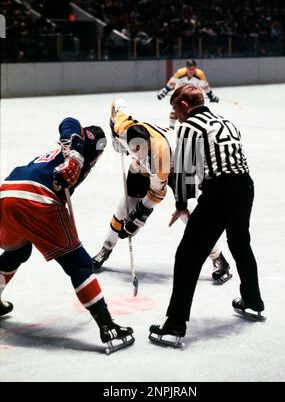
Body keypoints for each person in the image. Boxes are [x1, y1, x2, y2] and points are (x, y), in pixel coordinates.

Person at [0, 117, 134, 354]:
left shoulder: (62, 154)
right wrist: (75, 156)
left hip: (7, 192)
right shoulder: (79, 149)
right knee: (79, 264)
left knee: (18, 250)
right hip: (37, 197)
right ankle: (108, 327)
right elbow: (70, 123)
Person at [149, 85, 265, 347]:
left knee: (188, 254)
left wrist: (180, 203)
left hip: (220, 191)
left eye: (175, 109)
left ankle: (175, 325)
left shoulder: (189, 126)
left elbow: (183, 171)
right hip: (245, 187)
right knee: (239, 244)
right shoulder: (227, 121)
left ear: (184, 105)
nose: (175, 114)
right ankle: (253, 301)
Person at [92, 99, 231, 284]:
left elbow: (157, 193)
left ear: (148, 145)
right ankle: (106, 248)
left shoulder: (160, 156)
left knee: (189, 215)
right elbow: (119, 103)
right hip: (141, 168)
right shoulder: (125, 128)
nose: (136, 153)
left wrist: (138, 218)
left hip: (180, 167)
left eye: (140, 151)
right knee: (122, 209)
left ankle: (218, 257)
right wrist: (113, 129)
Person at [157, 58, 219, 129]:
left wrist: (212, 96)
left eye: (193, 69)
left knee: (196, 111)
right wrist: (163, 92)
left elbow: (205, 86)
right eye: (189, 69)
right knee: (174, 109)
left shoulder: (200, 74)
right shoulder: (180, 73)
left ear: (195, 68)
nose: (191, 71)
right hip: (180, 95)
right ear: (186, 68)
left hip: (193, 97)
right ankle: (171, 128)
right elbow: (171, 83)